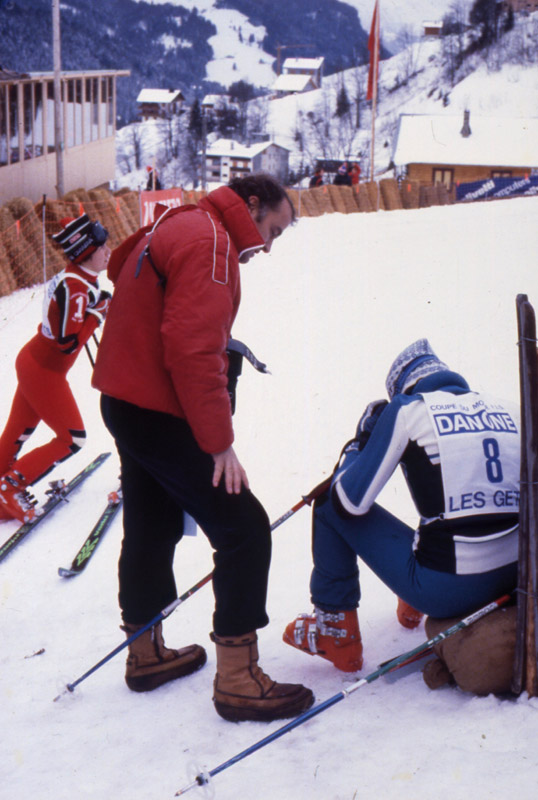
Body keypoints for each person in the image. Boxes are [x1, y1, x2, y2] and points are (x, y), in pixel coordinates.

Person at [92, 173, 314, 722]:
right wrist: (219, 446)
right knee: (243, 529)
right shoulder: (212, 244)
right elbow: (193, 351)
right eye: (273, 231)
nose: (267, 246)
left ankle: (144, 654)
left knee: (152, 522)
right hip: (158, 408)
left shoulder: (181, 221)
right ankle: (239, 679)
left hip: (126, 400)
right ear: (252, 204)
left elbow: (122, 268)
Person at [284, 339, 520, 673]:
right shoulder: (508, 408)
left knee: (327, 503)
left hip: (448, 590)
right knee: (447, 503)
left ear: (403, 389)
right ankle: (408, 593)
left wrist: (358, 445)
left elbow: (349, 503)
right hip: (513, 578)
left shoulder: (408, 409)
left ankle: (336, 634)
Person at [0, 214, 111, 523]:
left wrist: (98, 306)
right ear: (85, 253)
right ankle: (10, 486)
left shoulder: (79, 279)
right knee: (72, 438)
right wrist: (98, 314)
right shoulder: (76, 288)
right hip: (44, 370)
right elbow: (68, 344)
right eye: (102, 247)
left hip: (36, 362)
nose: (108, 252)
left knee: (18, 431)